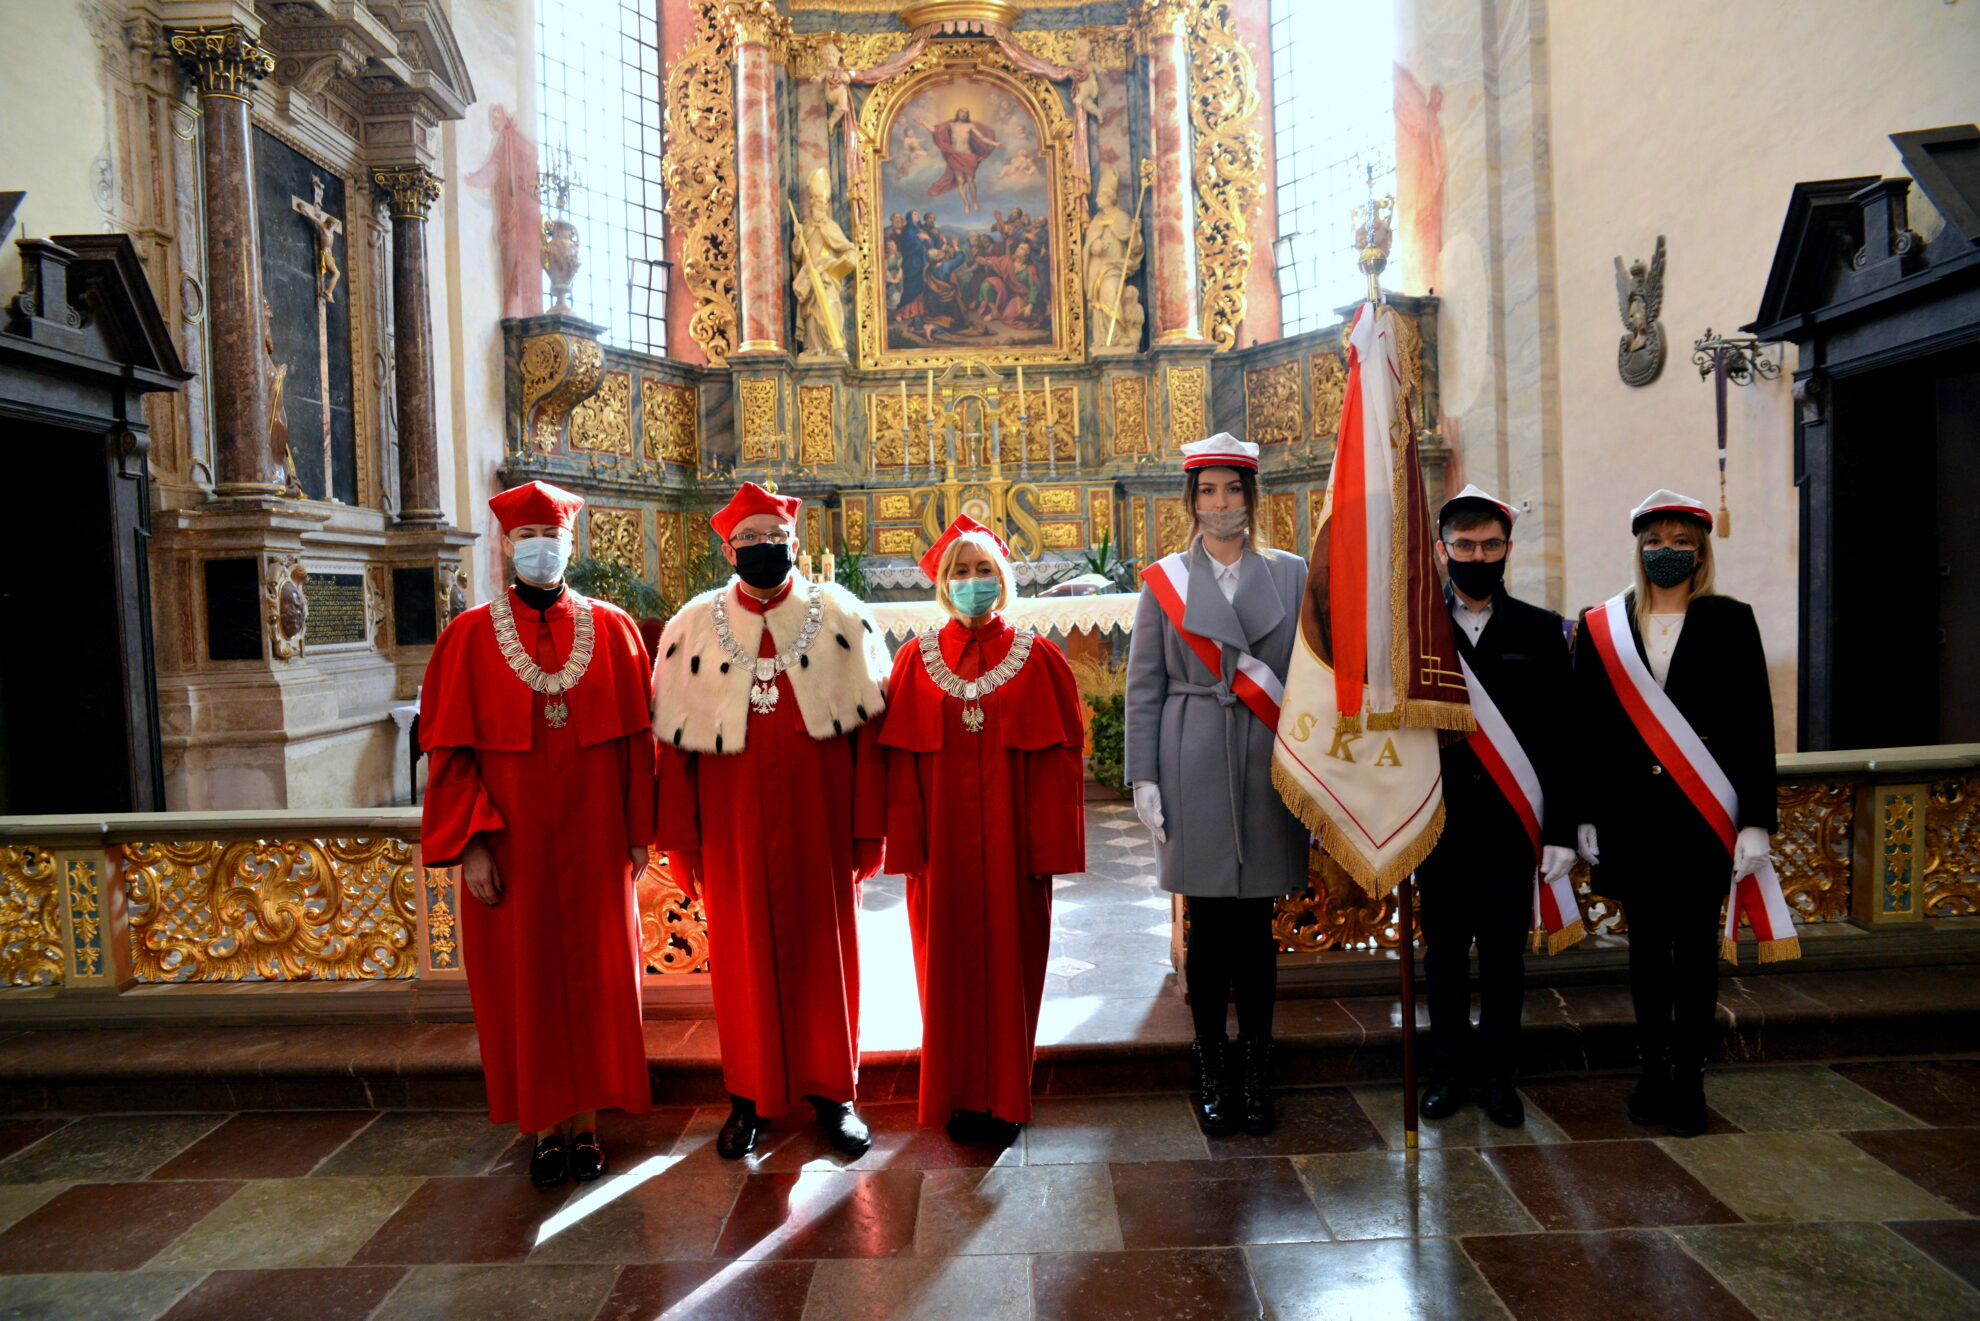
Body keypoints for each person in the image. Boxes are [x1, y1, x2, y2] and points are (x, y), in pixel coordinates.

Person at [419, 480, 657, 1187]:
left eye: (550, 536)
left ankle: (587, 1127)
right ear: (506, 546)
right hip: (510, 844)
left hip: (596, 839)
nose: (540, 548)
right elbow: (450, 756)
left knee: (598, 980)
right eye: (527, 537)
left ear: (570, 544)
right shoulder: (467, 637)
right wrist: (471, 846)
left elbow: (639, 747)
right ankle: (543, 1129)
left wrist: (639, 834)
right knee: (523, 984)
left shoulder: (614, 629)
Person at [652, 482, 892, 1159]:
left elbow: (871, 740)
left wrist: (867, 829)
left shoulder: (842, 614)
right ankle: (748, 1099)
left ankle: (835, 1095)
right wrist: (682, 843)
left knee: (826, 956)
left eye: (774, 538)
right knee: (743, 964)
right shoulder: (692, 626)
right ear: (729, 549)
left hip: (822, 821)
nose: (763, 548)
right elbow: (674, 749)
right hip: (730, 827)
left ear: (794, 542)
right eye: (749, 539)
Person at [1573, 490, 1785, 1138]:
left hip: (1703, 814)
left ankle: (1690, 1077)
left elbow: (1754, 724)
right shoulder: (1603, 624)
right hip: (1630, 816)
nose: (1667, 551)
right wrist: (1583, 813)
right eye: (1656, 542)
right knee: (1645, 953)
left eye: (1681, 542)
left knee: (1694, 953)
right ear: (1639, 549)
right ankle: (1651, 1073)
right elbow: (1584, 728)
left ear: (1701, 552)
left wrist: (1755, 819)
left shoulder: (1730, 619)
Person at [1124, 435, 1309, 1136]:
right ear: (1191, 500)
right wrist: (1144, 774)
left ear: (1251, 497)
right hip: (1191, 758)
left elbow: (1312, 677)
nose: (1221, 503)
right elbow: (1144, 685)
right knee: (1204, 926)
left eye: (1233, 489)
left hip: (1268, 760)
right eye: (1208, 491)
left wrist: (1319, 772)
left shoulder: (1291, 574)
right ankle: (1212, 1068)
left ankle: (1257, 1068)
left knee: (1257, 929)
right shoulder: (1164, 581)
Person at [880, 517, 1086, 1143]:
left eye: (984, 570)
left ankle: (1006, 1097)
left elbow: (1061, 760)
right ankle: (959, 1097)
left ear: (1003, 579)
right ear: (944, 583)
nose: (973, 581)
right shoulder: (914, 660)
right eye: (961, 572)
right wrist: (909, 847)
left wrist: (1048, 849)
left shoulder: (1040, 657)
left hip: (1013, 848)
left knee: (1013, 962)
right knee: (942, 967)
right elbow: (901, 764)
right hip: (940, 851)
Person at [1415, 485, 1578, 1129]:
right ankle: (1450, 1072)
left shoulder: (1542, 630)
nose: (1476, 556)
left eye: (1489, 545)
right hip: (1438, 827)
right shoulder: (1415, 634)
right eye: (1464, 545)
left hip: (1513, 828)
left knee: (1506, 958)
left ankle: (1500, 1076)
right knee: (1444, 958)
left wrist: (1560, 830)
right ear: (1442, 550)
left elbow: (1564, 740)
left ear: (1508, 549)